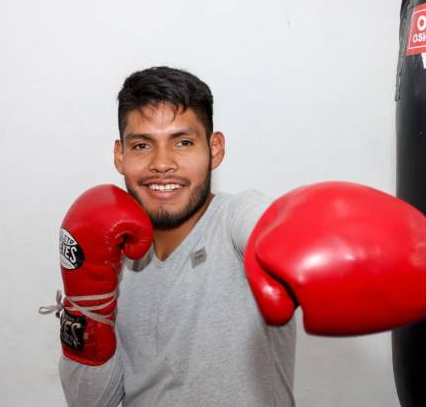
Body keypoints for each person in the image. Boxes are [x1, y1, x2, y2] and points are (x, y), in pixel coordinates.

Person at [58, 67, 295, 406]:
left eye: (183, 142)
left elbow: (274, 227)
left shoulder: (235, 221)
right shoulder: (110, 258)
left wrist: (304, 239)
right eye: (142, 145)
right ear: (120, 155)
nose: (162, 163)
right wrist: (86, 310)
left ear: (214, 149)